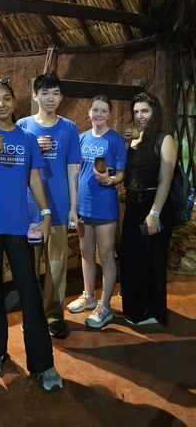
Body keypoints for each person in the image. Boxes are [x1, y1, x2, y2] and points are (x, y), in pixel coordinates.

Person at [0, 78, 63, 392]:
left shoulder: (27, 138)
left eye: (6, 98)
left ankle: (43, 364)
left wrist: (46, 212)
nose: (1, 104)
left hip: (19, 226)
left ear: (14, 101)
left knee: (30, 291)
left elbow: (34, 178)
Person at [17, 72, 82, 339]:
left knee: (56, 264)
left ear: (61, 96)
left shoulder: (69, 128)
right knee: (29, 264)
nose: (50, 98)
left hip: (58, 210)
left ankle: (55, 315)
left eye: (55, 92)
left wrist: (73, 208)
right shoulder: (22, 126)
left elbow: (73, 170)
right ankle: (32, 315)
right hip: (31, 211)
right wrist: (34, 151)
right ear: (35, 96)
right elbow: (16, 169)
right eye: (44, 92)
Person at [68, 95, 126, 328]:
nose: (99, 114)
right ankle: (89, 296)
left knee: (106, 254)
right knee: (86, 253)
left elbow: (121, 173)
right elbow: (75, 170)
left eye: (103, 111)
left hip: (104, 206)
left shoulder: (115, 141)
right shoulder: (81, 138)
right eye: (95, 110)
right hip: (83, 205)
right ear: (89, 113)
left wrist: (110, 179)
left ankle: (105, 306)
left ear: (109, 114)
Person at [120, 92, 176, 325]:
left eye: (145, 111)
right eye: (136, 112)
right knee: (131, 257)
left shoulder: (165, 139)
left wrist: (154, 214)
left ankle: (152, 311)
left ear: (155, 112)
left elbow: (165, 180)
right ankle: (134, 308)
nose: (139, 116)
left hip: (155, 206)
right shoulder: (134, 136)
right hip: (134, 205)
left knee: (152, 260)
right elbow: (129, 171)